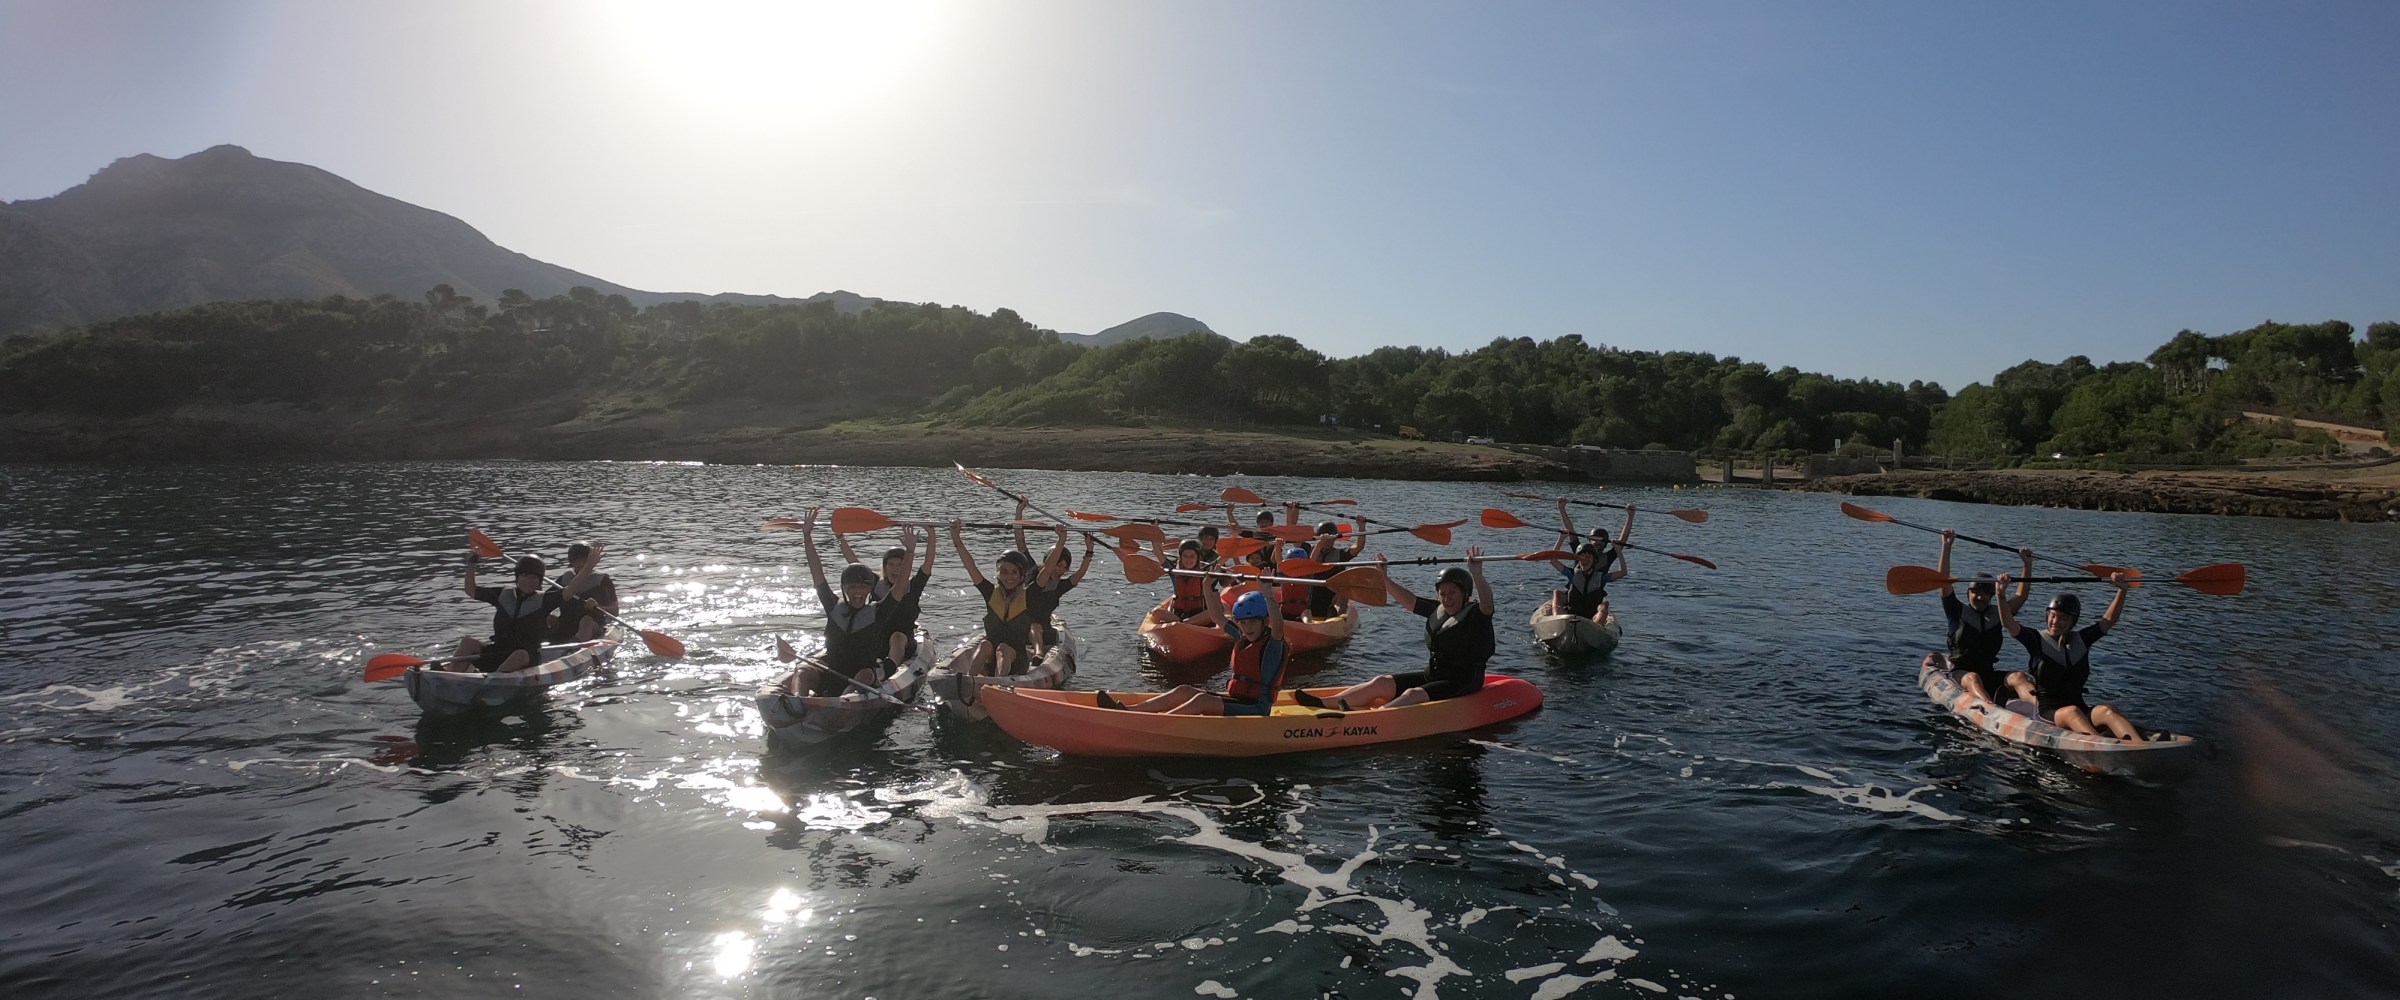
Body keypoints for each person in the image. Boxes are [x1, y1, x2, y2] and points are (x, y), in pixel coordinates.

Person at [1296, 548, 1494, 711]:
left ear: (1465, 594)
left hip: (1463, 680)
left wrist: (1477, 574)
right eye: (1442, 593)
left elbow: (1487, 604)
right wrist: (1384, 579)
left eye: (1453, 593)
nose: (1447, 598)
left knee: (1412, 694)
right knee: (1380, 682)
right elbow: (1409, 601)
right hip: (1434, 675)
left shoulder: (1476, 615)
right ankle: (1325, 703)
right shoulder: (1438, 610)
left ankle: (1379, 715)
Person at [1994, 570, 2149, 741]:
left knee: (2108, 710)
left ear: (2072, 622)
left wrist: (2122, 590)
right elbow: (2009, 624)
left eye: (2062, 619)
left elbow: (2109, 620)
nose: (2055, 622)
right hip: (2049, 713)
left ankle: (2140, 745)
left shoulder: (2081, 640)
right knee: (2072, 713)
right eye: (2052, 616)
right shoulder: (2035, 640)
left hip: (2080, 707)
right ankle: (2101, 745)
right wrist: (2001, 595)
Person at [1101, 587, 1288, 716]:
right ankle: (1130, 711)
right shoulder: (1243, 638)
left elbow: (1279, 626)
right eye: (1243, 623)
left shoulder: (1272, 645)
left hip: (1257, 708)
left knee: (1201, 701)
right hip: (1237, 699)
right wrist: (1207, 584)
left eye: (1253, 622)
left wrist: (1267, 593)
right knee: (1184, 690)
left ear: (1265, 622)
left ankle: (1159, 721)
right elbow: (1216, 616)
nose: (1247, 628)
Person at [452, 545, 608, 672]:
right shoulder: (502, 594)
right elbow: (471, 590)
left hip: (526, 658)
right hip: (498, 651)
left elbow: (569, 590)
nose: (529, 581)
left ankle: (492, 683)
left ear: (540, 582)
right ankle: (450, 676)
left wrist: (588, 567)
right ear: (517, 578)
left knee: (519, 655)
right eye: (525, 575)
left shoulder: (544, 600)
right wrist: (471, 566)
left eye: (534, 577)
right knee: (468, 642)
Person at [1919, 530, 2033, 704]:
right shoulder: (1956, 611)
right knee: (1973, 678)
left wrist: (2027, 564)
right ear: (1968, 592)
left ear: (1991, 596)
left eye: (1985, 594)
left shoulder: (1998, 613)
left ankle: (2039, 710)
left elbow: (2021, 596)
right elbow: (1943, 581)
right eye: (1975, 593)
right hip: (1961, 674)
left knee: (2018, 677)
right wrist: (1947, 546)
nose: (1980, 597)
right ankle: (1989, 708)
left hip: (1989, 672)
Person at [796, 508, 901, 697]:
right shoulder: (833, 606)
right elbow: (817, 572)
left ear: (870, 589)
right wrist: (807, 536)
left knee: (864, 674)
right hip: (833, 673)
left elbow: (899, 588)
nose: (857, 592)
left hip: (863, 680)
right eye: (852, 587)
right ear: (844, 589)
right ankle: (798, 702)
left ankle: (844, 701)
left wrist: (909, 551)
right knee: (803, 671)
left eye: (862, 587)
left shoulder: (878, 611)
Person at [954, 518, 1041, 676]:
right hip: (990, 659)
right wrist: (957, 540)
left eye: (1014, 572)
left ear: (1022, 577)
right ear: (999, 575)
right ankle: (968, 682)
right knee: (985, 645)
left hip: (1015, 660)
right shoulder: (990, 592)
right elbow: (970, 566)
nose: (1009, 577)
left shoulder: (1029, 595)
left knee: (1003, 648)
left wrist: (1061, 540)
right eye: (1004, 572)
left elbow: (1046, 571)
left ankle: (1000, 684)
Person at [848, 524, 936, 665]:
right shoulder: (876, 583)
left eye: (900, 565)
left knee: (897, 637)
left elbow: (928, 563)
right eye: (891, 565)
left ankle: (890, 667)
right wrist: (840, 538)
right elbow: (853, 563)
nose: (895, 569)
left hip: (903, 640)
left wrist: (931, 534)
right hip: (878, 638)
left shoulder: (913, 586)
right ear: (885, 567)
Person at [1026, 522, 1095, 649]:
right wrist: (1062, 540)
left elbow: (1078, 575)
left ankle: (1038, 653)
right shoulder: (1037, 582)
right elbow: (1048, 568)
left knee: (1040, 630)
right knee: (1033, 628)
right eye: (1058, 565)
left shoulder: (1059, 587)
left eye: (1064, 567)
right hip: (1023, 630)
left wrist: (1089, 551)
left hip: (1045, 632)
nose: (1061, 570)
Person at [547, 540, 619, 642]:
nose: (581, 564)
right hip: (567, 623)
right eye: (577, 561)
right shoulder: (563, 580)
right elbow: (544, 602)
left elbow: (615, 610)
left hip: (593, 626)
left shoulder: (602, 580)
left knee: (586, 621)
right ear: (572, 562)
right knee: (547, 617)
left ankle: (577, 646)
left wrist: (598, 607)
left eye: (584, 560)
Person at [1303, 519, 1367, 618]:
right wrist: (1319, 544)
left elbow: (1358, 547)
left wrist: (1361, 527)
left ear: (1334, 539)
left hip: (1332, 599)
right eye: (1325, 539)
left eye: (1330, 539)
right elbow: (1309, 567)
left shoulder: (1340, 554)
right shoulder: (1308, 551)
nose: (1327, 542)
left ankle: (1337, 616)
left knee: (1345, 586)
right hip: (1312, 595)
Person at [1158, 539, 1213, 621]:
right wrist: (1154, 529)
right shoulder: (1174, 572)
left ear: (1198, 557)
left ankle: (1184, 624)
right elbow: (1159, 554)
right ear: (1180, 557)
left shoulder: (1204, 574)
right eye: (1185, 556)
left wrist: (1234, 535)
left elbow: (1223, 559)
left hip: (1197, 614)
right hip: (1179, 613)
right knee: (1156, 612)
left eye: (1192, 556)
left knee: (1212, 612)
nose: (1188, 560)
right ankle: (1181, 623)